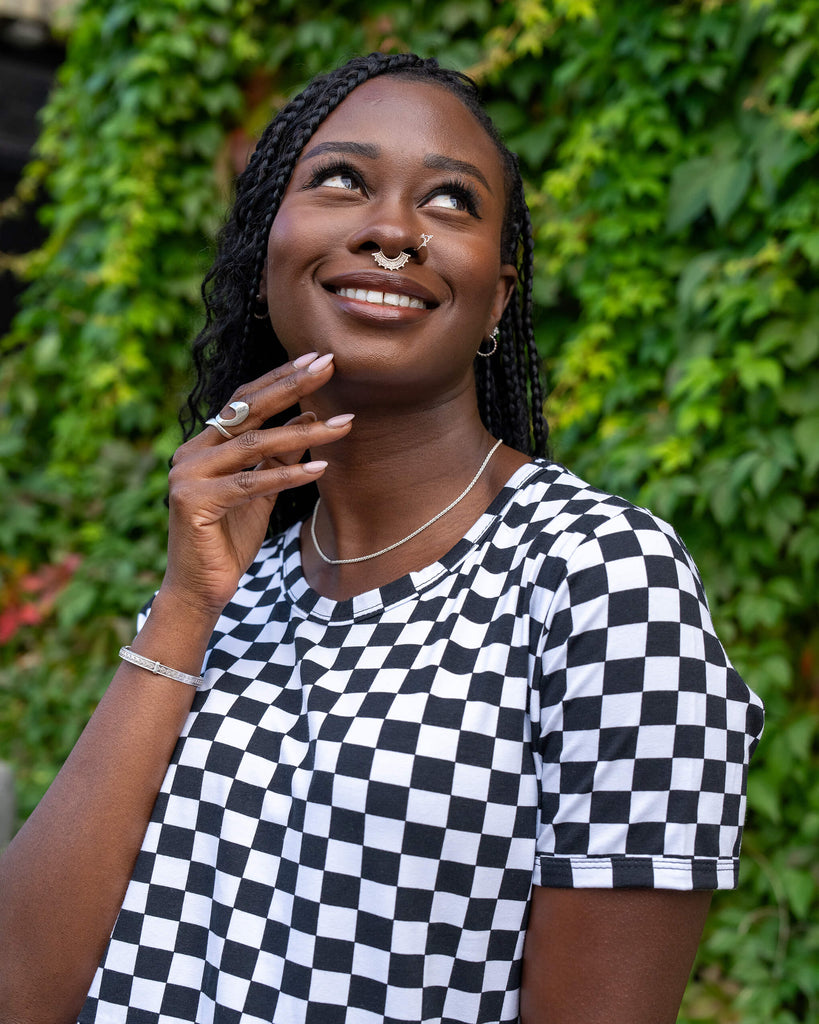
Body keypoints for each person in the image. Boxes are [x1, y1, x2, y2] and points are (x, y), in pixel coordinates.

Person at [0, 52, 763, 1024]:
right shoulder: (229, 583)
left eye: (450, 202)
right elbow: (19, 988)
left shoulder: (602, 582)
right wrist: (187, 606)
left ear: (497, 297)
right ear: (267, 242)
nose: (394, 229)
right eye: (342, 180)